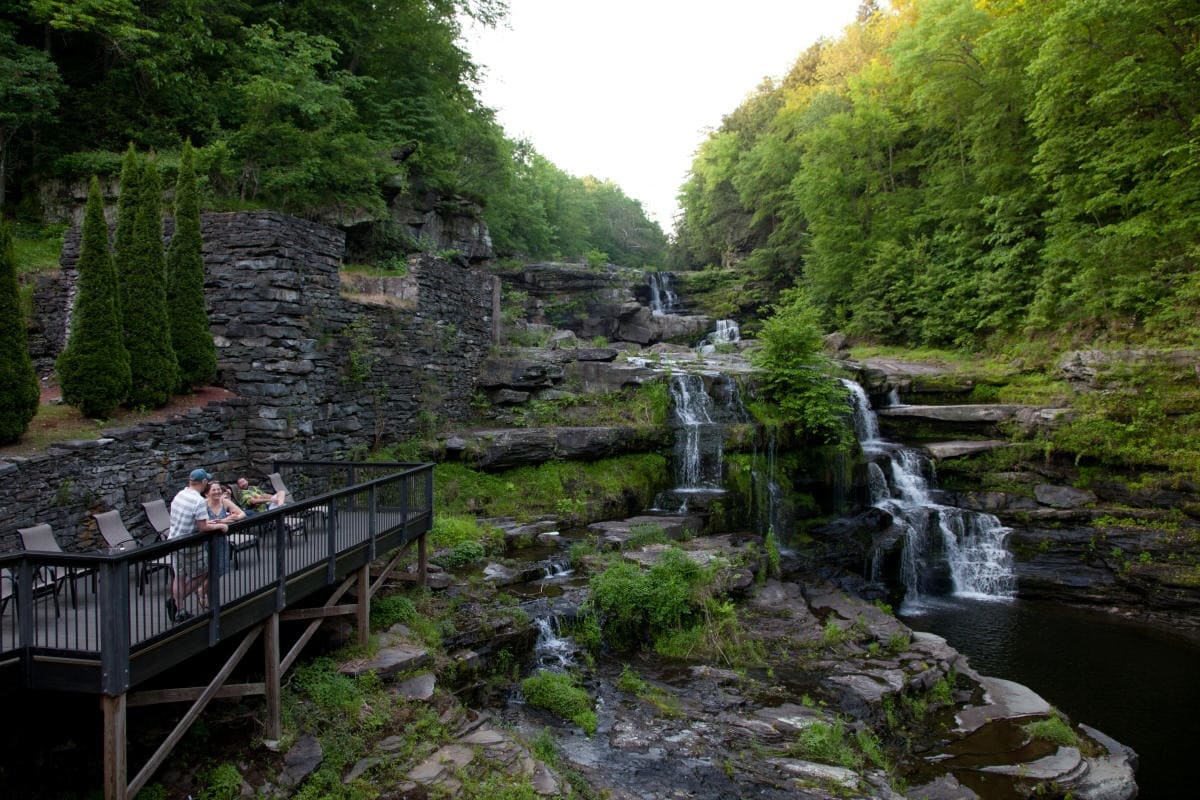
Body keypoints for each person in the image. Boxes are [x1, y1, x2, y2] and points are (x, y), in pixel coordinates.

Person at [167, 468, 230, 622]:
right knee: (205, 572)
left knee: (180, 576)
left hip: (174, 541)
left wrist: (209, 522)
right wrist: (220, 526)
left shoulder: (180, 495)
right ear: (203, 482)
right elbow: (203, 528)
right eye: (206, 481)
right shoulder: (198, 501)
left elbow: (192, 519)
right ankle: (175, 602)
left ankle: (180, 610)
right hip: (190, 545)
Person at [204, 481, 245, 585]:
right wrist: (224, 520)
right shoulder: (203, 504)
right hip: (206, 542)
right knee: (207, 570)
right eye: (214, 490)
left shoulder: (225, 502)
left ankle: (203, 591)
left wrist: (234, 518)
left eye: (219, 490)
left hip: (221, 541)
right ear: (207, 493)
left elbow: (242, 513)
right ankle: (204, 593)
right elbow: (206, 523)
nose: (217, 492)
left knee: (221, 570)